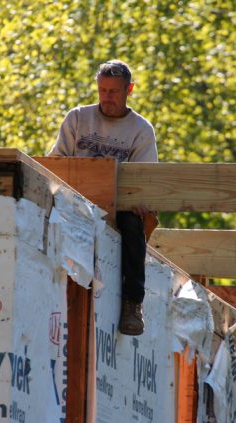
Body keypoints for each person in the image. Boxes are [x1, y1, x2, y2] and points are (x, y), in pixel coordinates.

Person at [48, 60, 158, 336]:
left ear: (129, 89)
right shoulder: (77, 118)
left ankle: (133, 303)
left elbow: (145, 184)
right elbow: (54, 163)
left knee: (134, 226)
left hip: (118, 206)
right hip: (76, 200)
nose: (106, 98)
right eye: (102, 90)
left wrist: (141, 203)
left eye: (113, 92)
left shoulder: (141, 130)